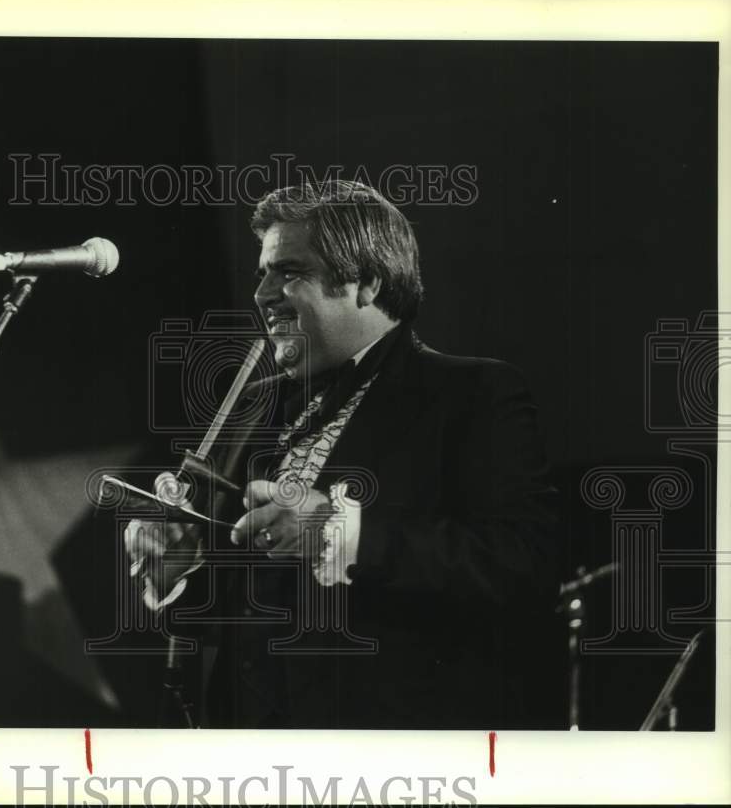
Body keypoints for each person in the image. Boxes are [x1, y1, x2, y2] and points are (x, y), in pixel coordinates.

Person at [124, 180, 562, 728]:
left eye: (289, 271)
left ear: (368, 283)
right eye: (263, 273)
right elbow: (238, 614)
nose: (262, 295)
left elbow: (525, 565)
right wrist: (177, 569)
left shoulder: (472, 393)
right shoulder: (255, 407)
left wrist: (339, 532)